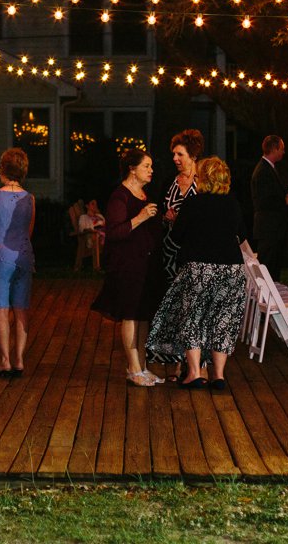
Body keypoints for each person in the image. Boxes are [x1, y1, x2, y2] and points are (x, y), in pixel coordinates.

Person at [146, 157, 248, 391]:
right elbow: (241, 235)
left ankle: (193, 373)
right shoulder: (232, 203)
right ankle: (219, 375)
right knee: (223, 320)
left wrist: (174, 223)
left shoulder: (193, 203)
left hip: (199, 269)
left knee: (193, 317)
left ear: (203, 178)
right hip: (230, 269)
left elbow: (178, 236)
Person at [91, 148, 165, 386]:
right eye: (147, 166)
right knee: (131, 315)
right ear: (132, 169)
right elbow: (114, 232)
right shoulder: (119, 197)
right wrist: (141, 217)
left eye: (151, 167)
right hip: (127, 266)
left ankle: (143, 366)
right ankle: (133, 369)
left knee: (144, 316)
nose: (151, 171)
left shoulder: (144, 194)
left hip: (146, 264)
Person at [0, 147, 36, 378]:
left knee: (1, 310)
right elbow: (28, 232)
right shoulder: (30, 198)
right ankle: (20, 360)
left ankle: (4, 361)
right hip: (22, 256)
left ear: (2, 170)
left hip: (0, 258)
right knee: (21, 309)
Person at [248, 134, 288, 279]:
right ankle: (267, 298)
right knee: (268, 268)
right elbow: (263, 201)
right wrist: (285, 201)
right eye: (281, 149)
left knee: (274, 267)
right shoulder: (263, 171)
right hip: (269, 228)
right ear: (274, 149)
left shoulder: (269, 168)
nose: (283, 152)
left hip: (273, 228)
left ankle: (272, 297)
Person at [73, 197, 104, 271]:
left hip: (104, 235)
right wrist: (89, 229)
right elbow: (82, 229)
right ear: (87, 206)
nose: (95, 206)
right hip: (94, 239)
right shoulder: (84, 217)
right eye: (92, 204)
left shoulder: (99, 216)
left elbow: (105, 224)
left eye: (96, 204)